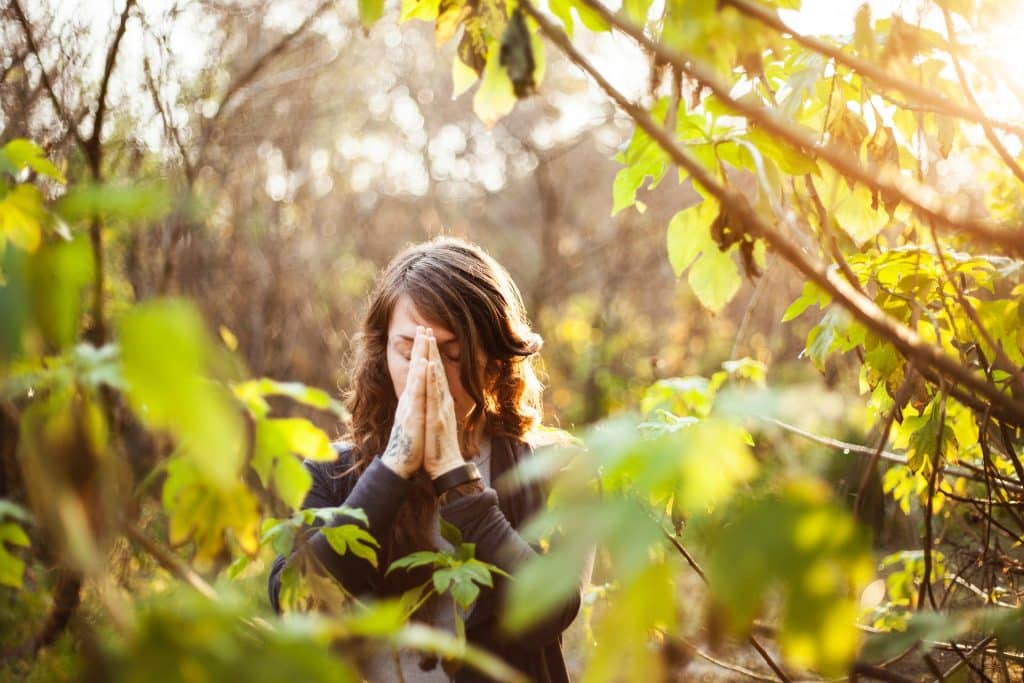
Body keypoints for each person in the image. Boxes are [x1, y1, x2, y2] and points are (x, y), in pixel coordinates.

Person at [268, 236, 591, 682]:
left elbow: (551, 611)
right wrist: (395, 464)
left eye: (453, 354)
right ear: (382, 352)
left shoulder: (556, 470)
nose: (429, 372)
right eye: (409, 351)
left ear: (495, 361)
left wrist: (455, 478)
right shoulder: (328, 473)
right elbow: (297, 608)